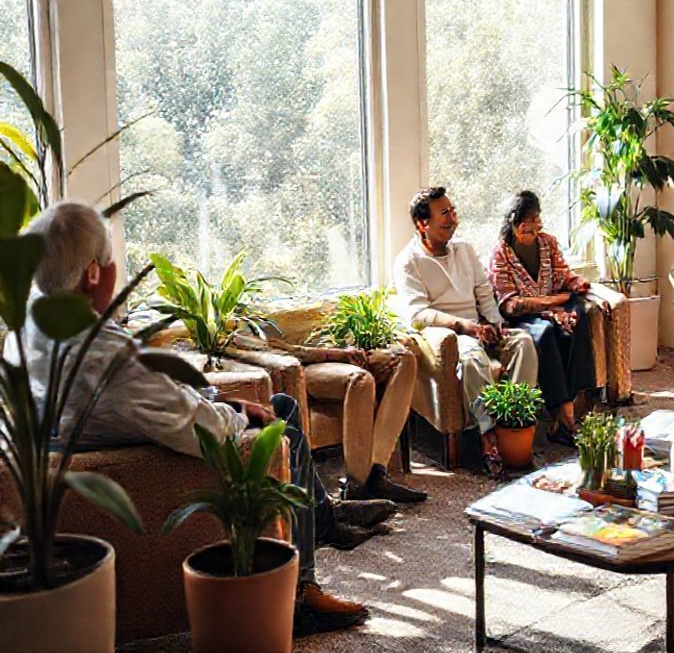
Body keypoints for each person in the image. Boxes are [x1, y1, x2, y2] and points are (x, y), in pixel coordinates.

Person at [12, 202, 387, 636]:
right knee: (281, 418)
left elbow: (158, 394)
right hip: (146, 454)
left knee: (273, 404)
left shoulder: (34, 327)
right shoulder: (104, 355)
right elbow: (196, 427)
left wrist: (221, 400)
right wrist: (233, 413)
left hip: (108, 437)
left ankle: (325, 520)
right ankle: (302, 589)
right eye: (113, 259)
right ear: (93, 273)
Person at [393, 187, 539, 477]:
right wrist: (464, 327)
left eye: (453, 211)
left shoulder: (465, 249)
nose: (453, 218)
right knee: (472, 358)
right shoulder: (408, 261)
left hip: (480, 325)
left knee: (523, 342)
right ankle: (489, 440)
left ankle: (515, 424)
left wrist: (496, 323)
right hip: (452, 334)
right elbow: (418, 314)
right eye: (444, 213)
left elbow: (484, 291)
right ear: (423, 224)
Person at [252, 338, 427, 504]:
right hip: (309, 364)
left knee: (404, 358)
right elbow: (275, 345)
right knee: (360, 379)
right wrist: (337, 353)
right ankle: (358, 486)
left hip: (349, 350)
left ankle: (376, 473)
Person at [488, 191, 594, 446]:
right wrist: (550, 302)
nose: (533, 226)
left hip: (552, 308)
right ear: (513, 222)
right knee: (546, 332)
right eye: (526, 220)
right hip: (523, 317)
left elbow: (563, 275)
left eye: (536, 218)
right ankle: (564, 408)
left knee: (579, 314)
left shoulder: (548, 243)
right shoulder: (500, 253)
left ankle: (575, 401)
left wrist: (576, 282)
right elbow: (509, 306)